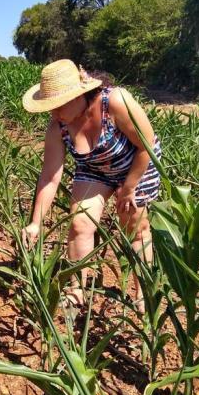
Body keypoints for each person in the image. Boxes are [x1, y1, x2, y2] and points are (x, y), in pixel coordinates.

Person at [20, 59, 161, 310]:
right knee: (79, 221)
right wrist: (35, 223)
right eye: (50, 107)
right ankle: (77, 291)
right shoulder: (58, 126)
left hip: (136, 164)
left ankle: (143, 294)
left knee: (134, 225)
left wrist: (128, 188)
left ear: (79, 95)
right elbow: (50, 176)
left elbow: (146, 145)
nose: (54, 113)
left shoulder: (116, 102)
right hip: (95, 168)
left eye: (58, 105)